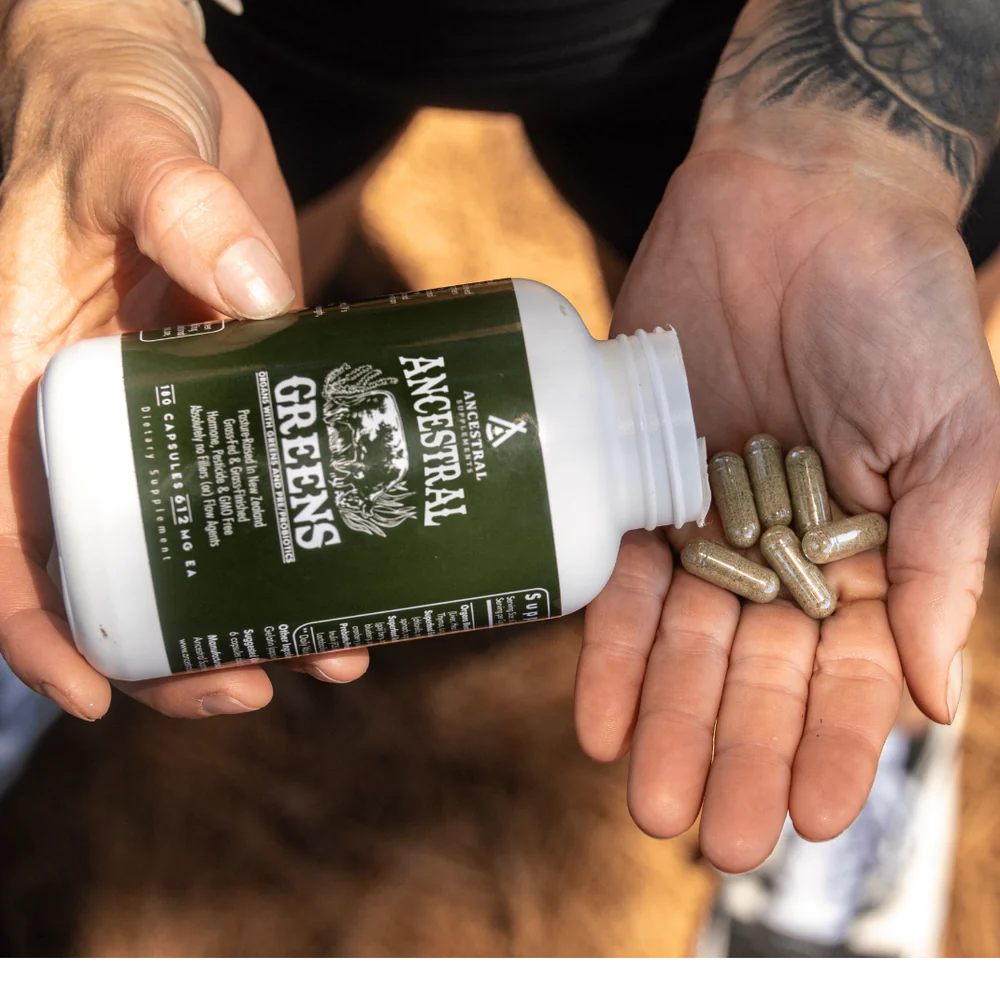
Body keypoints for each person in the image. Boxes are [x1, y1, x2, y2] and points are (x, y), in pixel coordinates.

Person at [0, 0, 997, 883]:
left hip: (729, 37)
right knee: (229, 293)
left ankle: (861, 747)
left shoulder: (587, 495)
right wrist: (92, 21)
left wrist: (866, 152)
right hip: (266, 24)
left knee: (796, 316)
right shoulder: (572, 503)